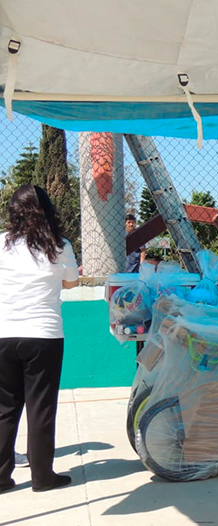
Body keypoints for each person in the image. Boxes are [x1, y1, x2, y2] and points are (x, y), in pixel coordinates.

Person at [0, 185, 79, 494]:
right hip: (44, 334)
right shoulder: (59, 245)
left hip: (4, 333)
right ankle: (43, 476)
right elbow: (71, 283)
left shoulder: (1, 244)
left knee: (5, 408)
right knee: (40, 407)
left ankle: (1, 477)